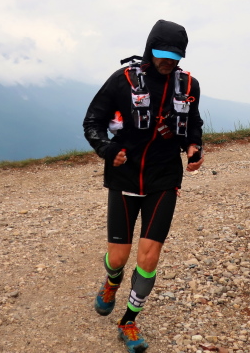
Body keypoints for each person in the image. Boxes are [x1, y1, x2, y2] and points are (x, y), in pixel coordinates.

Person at [83, 19, 204, 352]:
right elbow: (92, 122)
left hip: (164, 178)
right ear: (150, 49)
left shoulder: (188, 85)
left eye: (175, 57)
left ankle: (128, 322)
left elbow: (193, 124)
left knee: (149, 258)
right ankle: (112, 281)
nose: (168, 62)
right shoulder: (122, 80)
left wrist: (194, 147)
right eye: (163, 55)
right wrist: (107, 150)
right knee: (118, 258)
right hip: (125, 176)